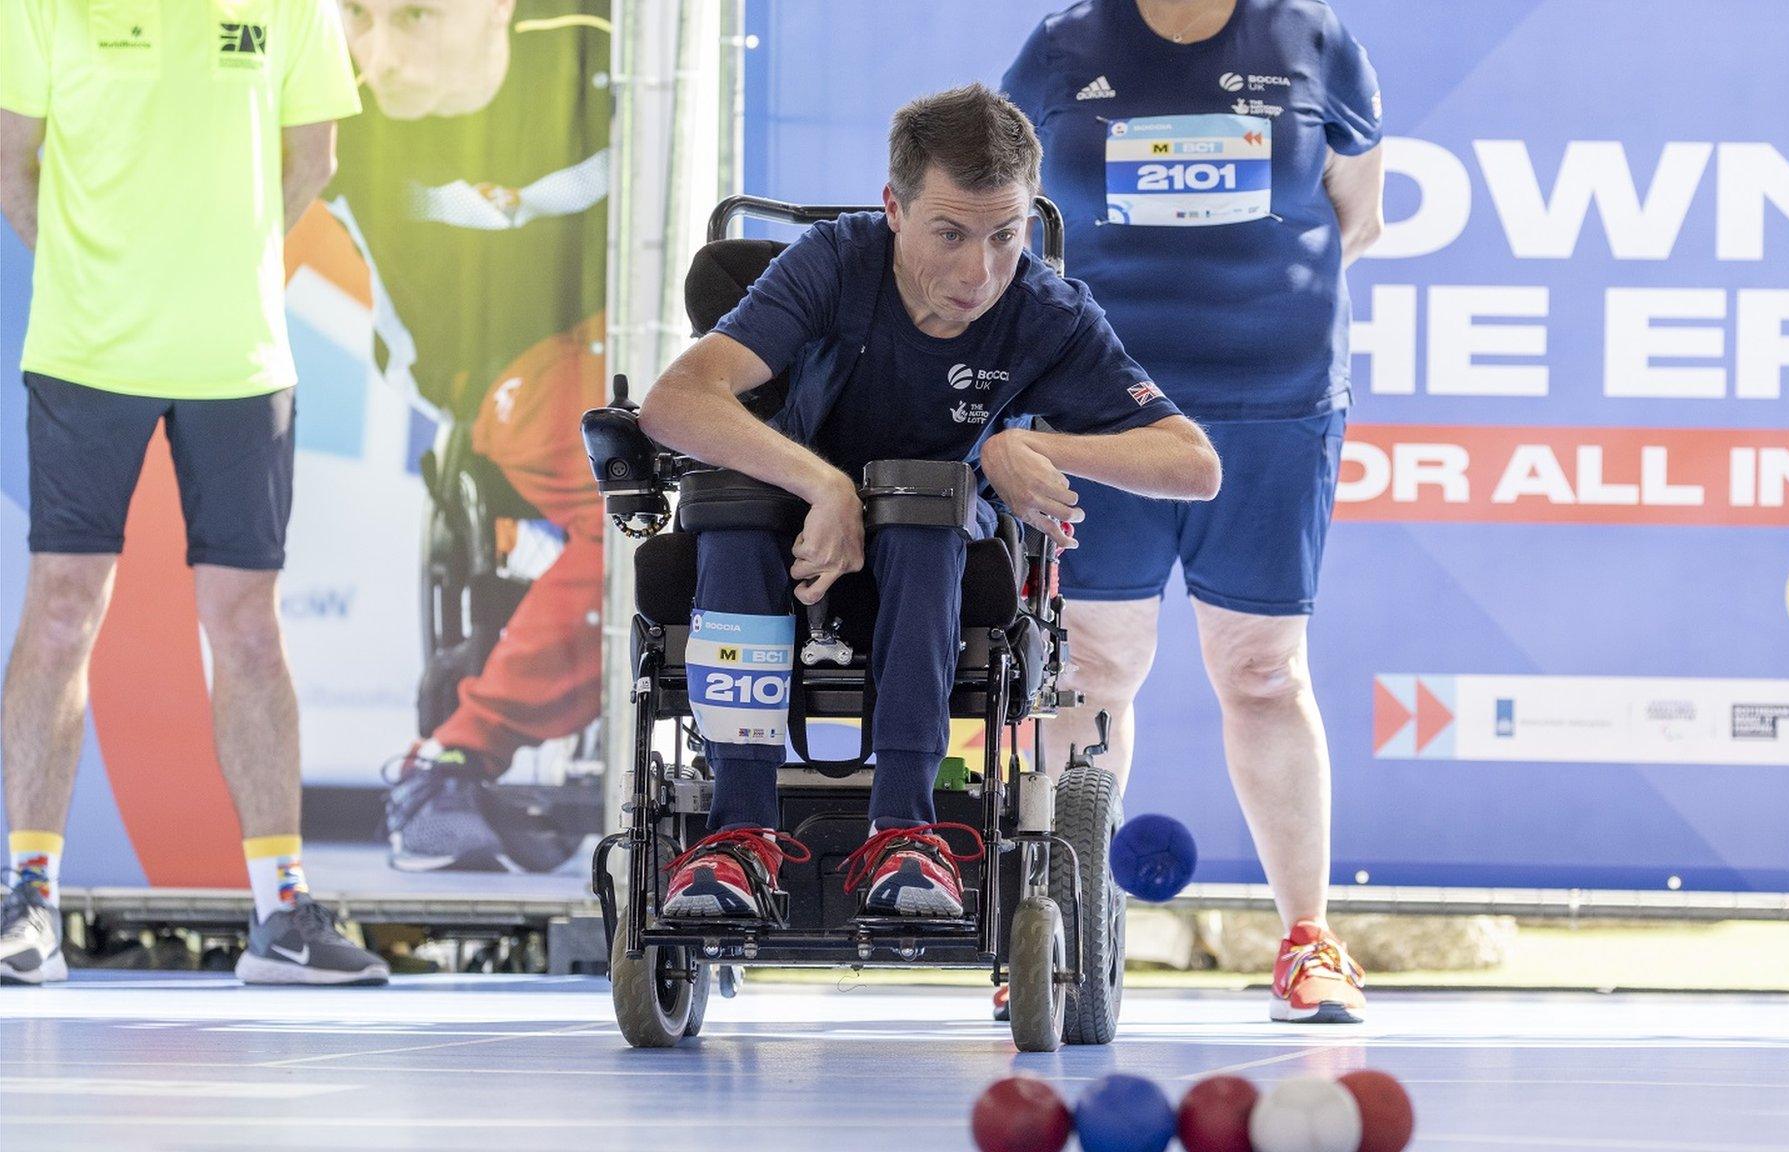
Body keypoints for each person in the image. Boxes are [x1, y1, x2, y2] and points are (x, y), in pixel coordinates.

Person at [638, 83, 1221, 919]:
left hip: (934, 559)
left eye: (1006, 235)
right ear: (894, 209)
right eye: (949, 233)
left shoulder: (1043, 313)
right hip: (788, 551)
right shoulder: (836, 262)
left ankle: (904, 832)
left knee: (924, 499)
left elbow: (1194, 464)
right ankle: (737, 836)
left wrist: (1030, 445)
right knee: (733, 509)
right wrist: (823, 484)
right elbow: (675, 404)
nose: (977, 272)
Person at [1003, 0, 1386, 1022]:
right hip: (1097, 413)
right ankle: (1049, 937)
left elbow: (1358, 217)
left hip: (1270, 409)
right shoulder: (1059, 45)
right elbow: (1011, 217)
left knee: (1263, 671)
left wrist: (1250, 313)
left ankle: (1306, 944)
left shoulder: (1312, 39)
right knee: (1087, 668)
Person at [0, 1, 387, 985]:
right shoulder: (39, 6)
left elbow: (314, 160)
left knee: (249, 626)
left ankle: (282, 915)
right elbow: (14, 162)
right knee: (59, 610)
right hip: (84, 355)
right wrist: (104, 283)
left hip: (241, 362)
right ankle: (28, 899)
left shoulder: (294, 6)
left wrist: (218, 273)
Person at [325, 0, 612, 873]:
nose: (372, 58)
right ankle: (451, 757)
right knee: (651, 519)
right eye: (352, 20)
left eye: (407, 18)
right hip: (497, 370)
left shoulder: (601, 41)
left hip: (640, 330)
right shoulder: (322, 103)